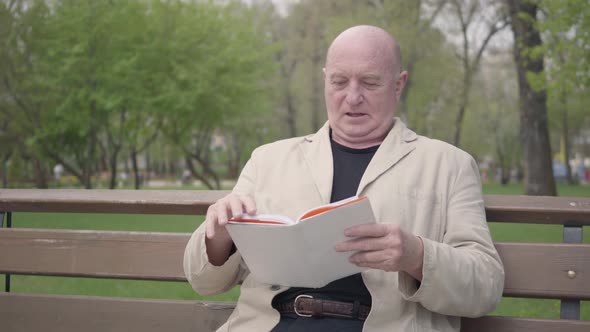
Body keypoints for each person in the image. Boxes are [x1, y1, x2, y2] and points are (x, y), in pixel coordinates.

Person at [184, 25, 504, 331]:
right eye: (339, 82)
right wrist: (218, 237)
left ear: (398, 84)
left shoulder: (448, 165)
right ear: (325, 81)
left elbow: (485, 286)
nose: (352, 97)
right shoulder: (268, 160)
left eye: (369, 82)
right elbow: (202, 281)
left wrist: (417, 256)